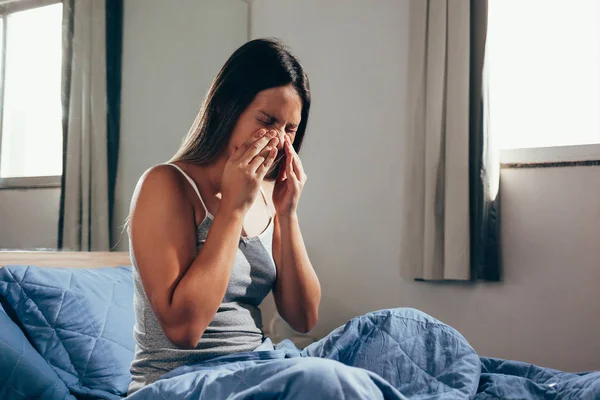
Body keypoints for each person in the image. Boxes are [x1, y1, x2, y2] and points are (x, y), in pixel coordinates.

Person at [127, 38, 475, 399]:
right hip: (182, 380)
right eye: (267, 120)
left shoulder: (263, 193)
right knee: (323, 380)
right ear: (225, 108)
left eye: (290, 129)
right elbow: (183, 329)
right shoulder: (166, 184)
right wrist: (232, 209)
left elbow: (303, 316)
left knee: (408, 333)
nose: (277, 140)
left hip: (259, 364)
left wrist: (287, 211)